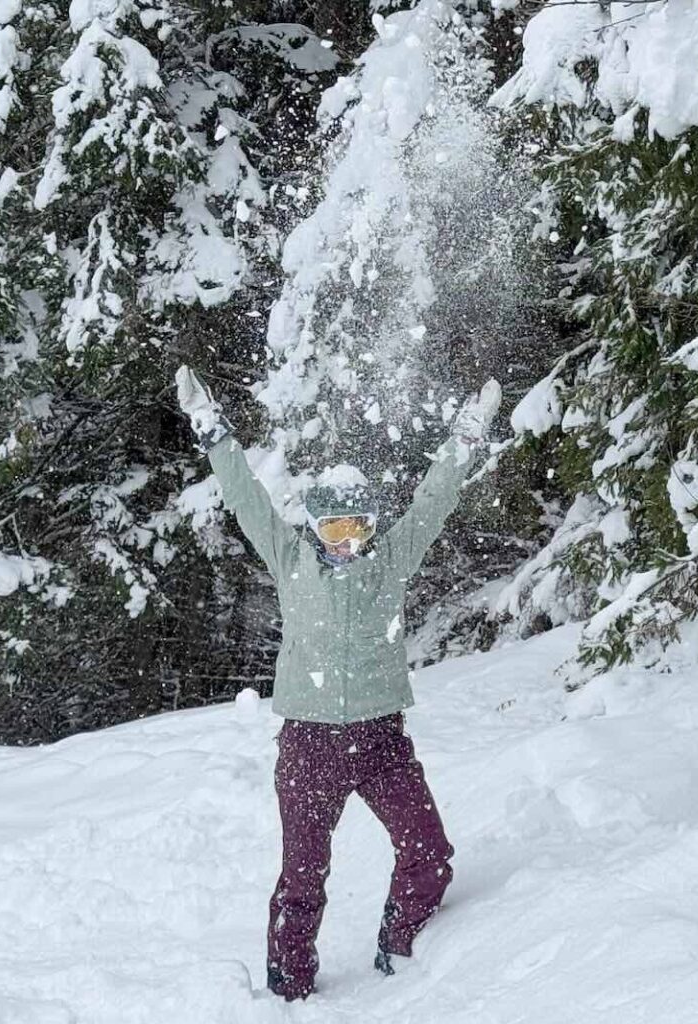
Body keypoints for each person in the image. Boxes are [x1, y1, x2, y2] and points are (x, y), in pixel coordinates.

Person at [174, 366, 500, 1002]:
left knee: (428, 853)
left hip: (382, 740)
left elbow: (433, 500)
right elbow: (245, 497)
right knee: (303, 877)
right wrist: (211, 429)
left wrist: (466, 435)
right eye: (332, 529)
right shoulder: (290, 558)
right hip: (309, 748)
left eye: (356, 528)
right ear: (313, 530)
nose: (345, 541)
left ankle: (404, 952)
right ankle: (289, 992)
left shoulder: (392, 562)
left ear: (372, 527)